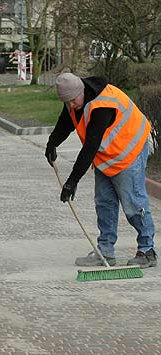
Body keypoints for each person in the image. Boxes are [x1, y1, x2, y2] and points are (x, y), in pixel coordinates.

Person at [45, 72, 157, 268]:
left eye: (72, 101)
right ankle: (105, 252)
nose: (71, 106)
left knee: (133, 203)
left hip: (129, 150)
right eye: (66, 102)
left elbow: (90, 145)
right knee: (104, 203)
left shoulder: (102, 105)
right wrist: (52, 143)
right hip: (107, 154)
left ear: (81, 92)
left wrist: (72, 181)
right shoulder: (75, 100)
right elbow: (66, 122)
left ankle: (147, 251)